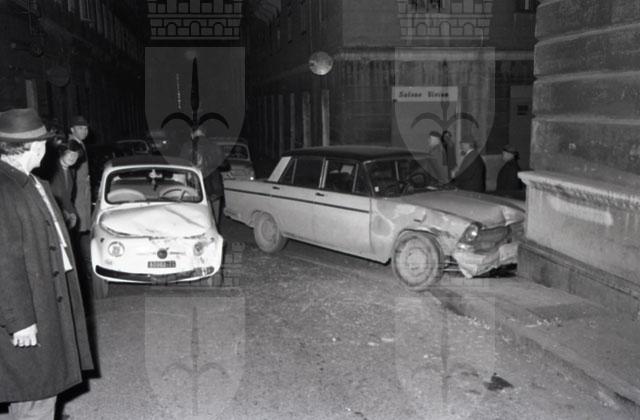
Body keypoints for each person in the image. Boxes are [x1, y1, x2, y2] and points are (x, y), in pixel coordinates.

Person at [0, 108, 93, 419]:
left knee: (40, 390)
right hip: (26, 311)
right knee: (34, 394)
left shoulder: (30, 182)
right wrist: (20, 320)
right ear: (33, 147)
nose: (47, 148)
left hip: (45, 300)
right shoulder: (5, 189)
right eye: (44, 142)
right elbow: (4, 260)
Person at [67, 116, 92, 277]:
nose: (85, 131)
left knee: (82, 229)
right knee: (77, 229)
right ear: (72, 129)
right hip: (76, 193)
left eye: (86, 128)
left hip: (82, 191)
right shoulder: (72, 145)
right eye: (80, 128)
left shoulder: (79, 143)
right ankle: (81, 266)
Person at [48, 139, 83, 231]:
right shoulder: (51, 170)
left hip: (64, 217)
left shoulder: (71, 172)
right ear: (62, 152)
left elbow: (67, 198)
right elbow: (50, 197)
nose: (73, 157)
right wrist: (63, 213)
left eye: (76, 154)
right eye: (69, 153)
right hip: (51, 216)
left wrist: (73, 213)